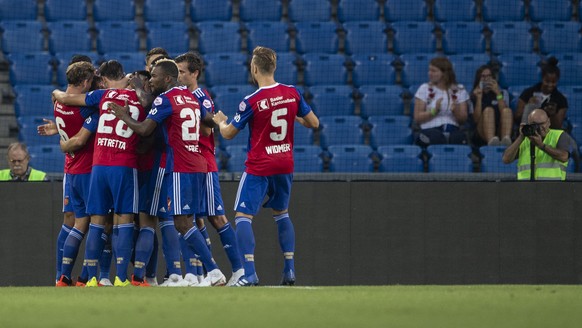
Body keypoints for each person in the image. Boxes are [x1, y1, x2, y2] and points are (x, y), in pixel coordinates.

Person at [109, 59, 227, 287]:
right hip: (198, 163)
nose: (150, 80)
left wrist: (123, 116)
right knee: (186, 221)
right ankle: (205, 272)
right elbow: (206, 119)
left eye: (154, 77)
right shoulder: (190, 95)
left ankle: (213, 271)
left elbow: (145, 129)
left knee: (182, 222)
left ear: (167, 79)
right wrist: (220, 120)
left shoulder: (165, 99)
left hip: (181, 166)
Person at [212, 46, 319, 286]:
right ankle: (289, 270)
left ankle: (249, 273)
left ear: (255, 68)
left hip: (260, 166)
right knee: (282, 213)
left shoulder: (252, 100)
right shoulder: (292, 93)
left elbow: (229, 134)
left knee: (242, 216)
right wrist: (292, 115)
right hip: (285, 163)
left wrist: (220, 122)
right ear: (275, 67)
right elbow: (314, 122)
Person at [52, 60, 148, 287]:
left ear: (103, 80)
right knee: (123, 220)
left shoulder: (101, 96)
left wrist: (55, 92)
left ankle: (88, 277)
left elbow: (66, 98)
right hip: (125, 165)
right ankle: (121, 277)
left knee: (95, 222)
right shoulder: (143, 99)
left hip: (98, 166)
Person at [175, 51, 245, 286]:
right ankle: (199, 274)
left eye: (182, 71)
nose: (179, 75)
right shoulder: (182, 96)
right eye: (176, 71)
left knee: (216, 216)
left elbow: (207, 130)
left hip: (203, 162)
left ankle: (239, 270)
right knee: (191, 217)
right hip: (191, 163)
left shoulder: (200, 96)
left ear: (194, 73)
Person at [38, 61, 101, 287]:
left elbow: (60, 97)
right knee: (89, 223)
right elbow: (81, 138)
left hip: (71, 171)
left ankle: (63, 276)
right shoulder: (87, 109)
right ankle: (82, 277)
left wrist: (57, 128)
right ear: (85, 82)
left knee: (78, 222)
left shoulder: (58, 102)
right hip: (87, 170)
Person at [413, 57, 470, 146]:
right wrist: (433, 111)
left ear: (444, 73)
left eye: (434, 71)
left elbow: (463, 119)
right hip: (429, 129)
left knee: (459, 138)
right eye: (429, 70)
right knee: (436, 137)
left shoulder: (459, 89)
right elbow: (417, 117)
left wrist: (456, 111)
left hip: (452, 129)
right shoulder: (424, 88)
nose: (429, 73)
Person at [502, 109, 569, 180]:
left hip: (552, 188)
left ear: (549, 122)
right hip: (526, 188)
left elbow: (564, 157)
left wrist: (541, 146)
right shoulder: (524, 139)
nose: (540, 128)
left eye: (542, 123)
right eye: (535, 125)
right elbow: (506, 159)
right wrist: (521, 137)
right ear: (529, 124)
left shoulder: (559, 135)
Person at [515, 57, 568, 130]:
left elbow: (557, 127)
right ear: (542, 78)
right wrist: (528, 106)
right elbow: (517, 118)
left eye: (553, 82)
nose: (550, 85)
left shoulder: (561, 99)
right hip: (528, 132)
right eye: (547, 81)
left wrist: (552, 115)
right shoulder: (528, 93)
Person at [470, 65, 513, 146]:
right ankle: (491, 142)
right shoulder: (473, 95)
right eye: (483, 76)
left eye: (489, 76)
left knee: (507, 110)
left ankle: (506, 140)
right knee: (488, 110)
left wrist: (498, 93)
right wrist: (479, 98)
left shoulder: (502, 93)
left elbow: (504, 112)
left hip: (499, 128)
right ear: (479, 79)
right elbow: (475, 120)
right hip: (482, 131)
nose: (486, 79)